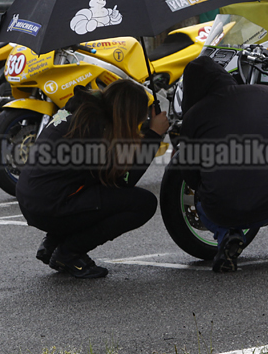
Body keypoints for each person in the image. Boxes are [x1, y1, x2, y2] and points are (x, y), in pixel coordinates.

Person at [16, 80, 170, 278]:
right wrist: (154, 135)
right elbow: (123, 181)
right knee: (142, 204)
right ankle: (69, 253)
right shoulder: (96, 129)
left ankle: (53, 243)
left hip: (33, 199)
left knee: (92, 187)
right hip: (50, 206)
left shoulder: (82, 109)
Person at [175, 56, 268, 272]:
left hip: (221, 212)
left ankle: (227, 236)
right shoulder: (267, 94)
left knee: (203, 194)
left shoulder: (193, 118)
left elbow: (190, 177)